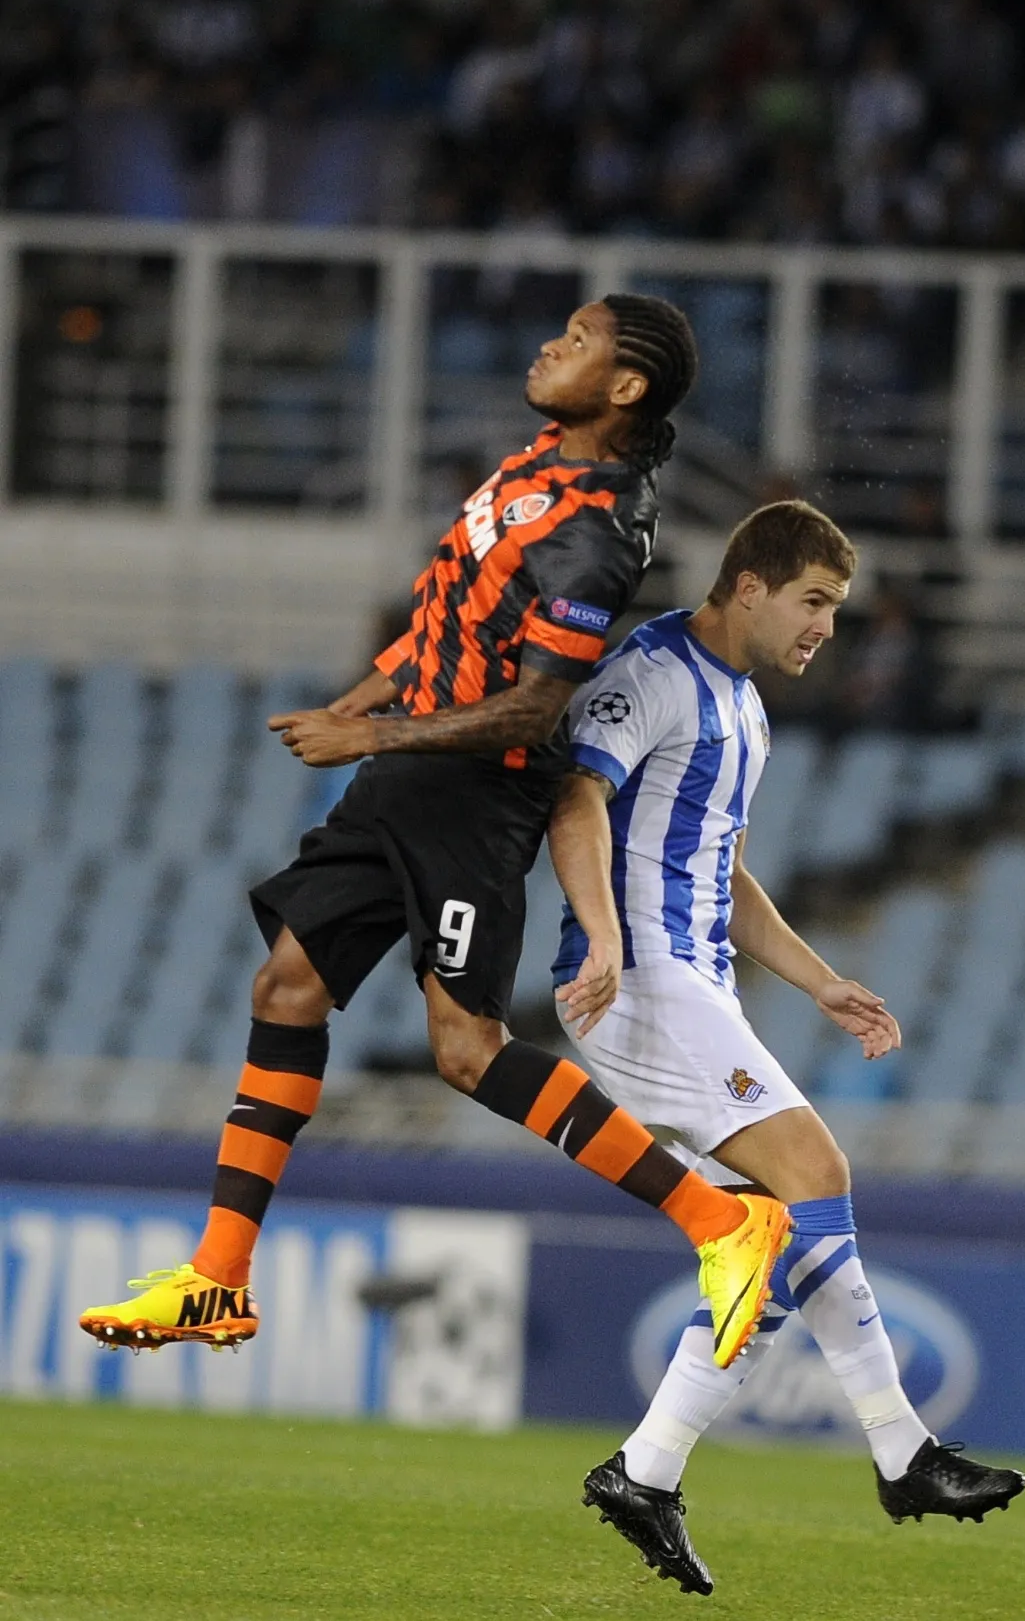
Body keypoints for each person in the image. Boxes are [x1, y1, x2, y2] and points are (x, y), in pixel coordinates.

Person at [79, 295, 789, 1370]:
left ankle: (720, 1220)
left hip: (476, 796)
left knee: (467, 1051)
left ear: (627, 386)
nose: (552, 343)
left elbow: (534, 711)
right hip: (409, 773)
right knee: (287, 989)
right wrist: (368, 704)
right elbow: (447, 619)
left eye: (581, 340)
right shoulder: (537, 465)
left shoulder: (598, 534)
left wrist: (369, 737)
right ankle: (217, 1278)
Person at [548, 499, 1025, 1596]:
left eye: (837, 609)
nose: (826, 627)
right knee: (818, 1172)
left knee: (758, 1237)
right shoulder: (655, 671)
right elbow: (576, 796)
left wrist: (821, 984)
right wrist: (610, 936)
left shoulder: (748, 708)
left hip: (692, 979)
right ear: (751, 586)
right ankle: (903, 1451)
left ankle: (646, 1469)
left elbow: (723, 870)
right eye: (814, 602)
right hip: (642, 984)